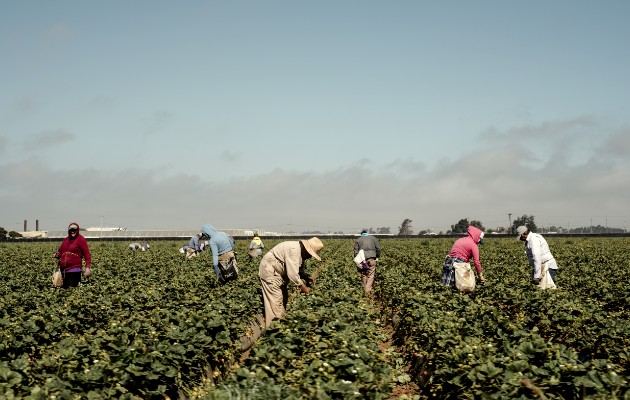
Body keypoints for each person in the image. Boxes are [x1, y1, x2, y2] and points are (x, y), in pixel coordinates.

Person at [259, 237, 323, 328]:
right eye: (310, 254)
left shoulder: (300, 252)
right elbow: (293, 275)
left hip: (278, 273)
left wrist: (306, 277)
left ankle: (281, 321)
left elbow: (298, 270)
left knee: (284, 296)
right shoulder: (294, 251)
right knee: (276, 300)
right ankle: (274, 328)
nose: (310, 257)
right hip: (270, 270)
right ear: (306, 249)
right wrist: (304, 288)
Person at [54, 222, 92, 288]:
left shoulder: (81, 239)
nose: (73, 232)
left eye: (74, 230)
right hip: (64, 270)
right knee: (64, 290)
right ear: (69, 230)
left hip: (75, 269)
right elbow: (60, 251)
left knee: (72, 289)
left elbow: (87, 254)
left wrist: (87, 268)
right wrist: (57, 255)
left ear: (77, 230)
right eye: (71, 230)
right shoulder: (66, 240)